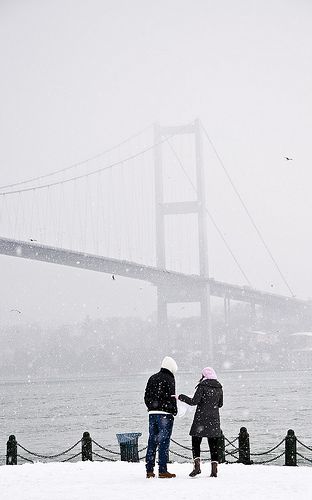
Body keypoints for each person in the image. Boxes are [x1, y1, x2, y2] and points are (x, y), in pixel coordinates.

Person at [178, 366, 223, 478]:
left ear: (204, 376)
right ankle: (214, 470)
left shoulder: (202, 386)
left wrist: (181, 397)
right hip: (214, 419)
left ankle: (197, 467)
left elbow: (194, 401)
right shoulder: (219, 387)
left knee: (196, 442)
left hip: (201, 419)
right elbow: (220, 404)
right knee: (213, 445)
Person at [144, 356, 178, 478]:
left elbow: (146, 396)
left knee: (152, 441)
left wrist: (151, 407)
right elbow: (172, 397)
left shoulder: (152, 377)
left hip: (152, 414)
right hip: (165, 414)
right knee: (164, 442)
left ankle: (149, 470)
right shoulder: (169, 378)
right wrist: (174, 410)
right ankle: (162, 470)